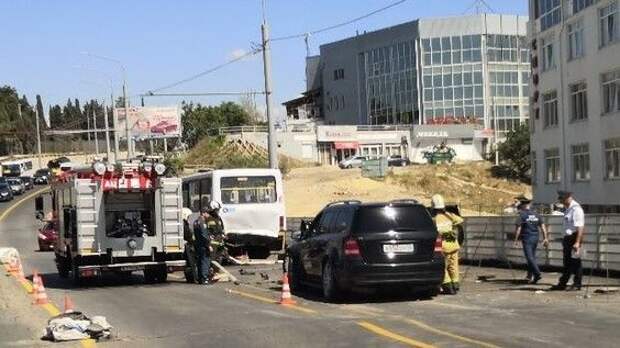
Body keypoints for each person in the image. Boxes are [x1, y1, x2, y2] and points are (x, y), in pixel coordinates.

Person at [551, 191, 585, 291]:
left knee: (576, 262)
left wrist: (577, 242)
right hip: (568, 239)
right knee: (567, 263)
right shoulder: (568, 209)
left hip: (574, 238)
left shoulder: (576, 209)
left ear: (567, 198)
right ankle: (562, 283)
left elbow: (580, 227)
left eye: (561, 199)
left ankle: (577, 284)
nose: (560, 201)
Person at [431, 194, 464, 295]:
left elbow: (434, 232)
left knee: (443, 267)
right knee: (453, 265)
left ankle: (447, 286)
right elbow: (460, 220)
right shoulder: (449, 215)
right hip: (453, 244)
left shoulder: (433, 219)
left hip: (442, 245)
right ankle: (455, 284)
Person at [513, 194, 549, 284]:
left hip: (527, 238)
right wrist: (545, 238)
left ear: (522, 205)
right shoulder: (537, 214)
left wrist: (516, 240)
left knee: (529, 257)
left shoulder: (522, 215)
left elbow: (518, 229)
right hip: (535, 238)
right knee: (531, 257)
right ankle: (529, 276)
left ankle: (537, 274)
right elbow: (543, 227)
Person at [193, 201, 224, 285]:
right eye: (207, 213)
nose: (208, 215)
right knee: (205, 261)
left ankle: (201, 278)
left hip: (200, 245)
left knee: (201, 262)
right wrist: (208, 245)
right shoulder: (202, 222)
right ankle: (204, 278)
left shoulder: (196, 221)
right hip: (204, 245)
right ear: (204, 213)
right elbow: (204, 234)